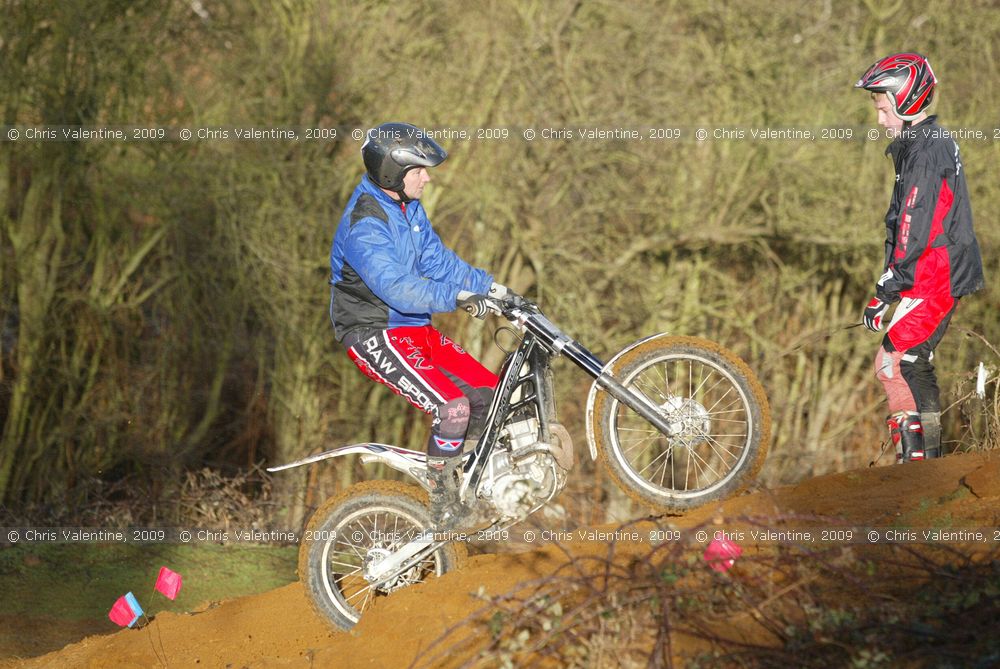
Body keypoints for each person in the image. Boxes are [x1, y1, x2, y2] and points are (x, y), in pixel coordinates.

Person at [329, 121, 516, 529]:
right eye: (419, 171)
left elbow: (437, 262)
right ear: (392, 174)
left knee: (491, 394)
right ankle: (441, 500)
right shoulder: (366, 225)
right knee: (454, 407)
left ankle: (473, 489)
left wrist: (493, 289)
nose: (427, 178)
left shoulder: (408, 208)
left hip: (414, 329)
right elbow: (397, 288)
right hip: (375, 332)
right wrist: (458, 298)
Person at [854, 53, 984, 463]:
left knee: (898, 362)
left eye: (881, 108)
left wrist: (885, 288)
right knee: (906, 360)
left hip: (936, 273)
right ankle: (926, 464)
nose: (879, 120)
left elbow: (914, 225)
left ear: (906, 99)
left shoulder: (926, 151)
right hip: (935, 271)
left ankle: (920, 469)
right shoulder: (923, 143)